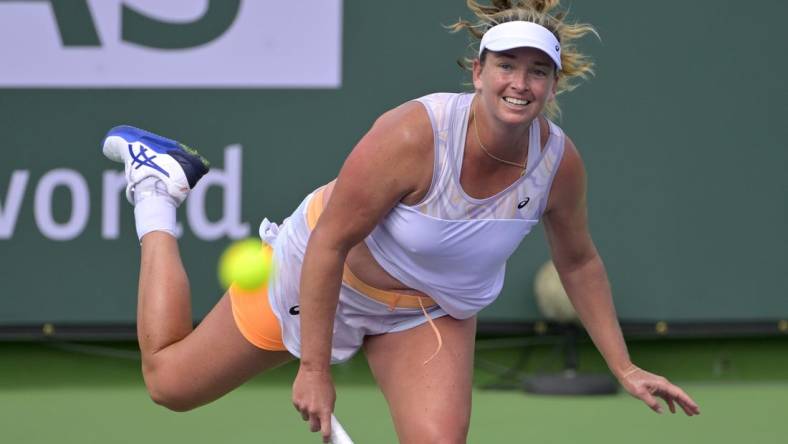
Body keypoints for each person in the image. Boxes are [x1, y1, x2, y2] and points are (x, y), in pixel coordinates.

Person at [102, 0, 700, 442]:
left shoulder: (557, 163)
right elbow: (331, 242)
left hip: (428, 312)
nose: (519, 84)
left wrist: (623, 366)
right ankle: (157, 187)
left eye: (536, 72)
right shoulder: (414, 135)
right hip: (322, 275)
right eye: (506, 67)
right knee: (170, 385)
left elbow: (578, 259)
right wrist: (313, 369)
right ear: (478, 72)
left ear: (552, 83)